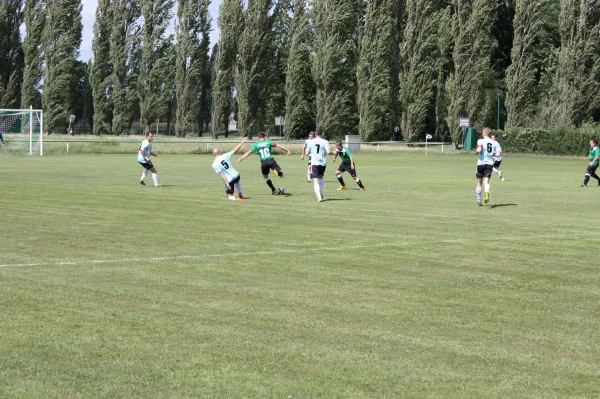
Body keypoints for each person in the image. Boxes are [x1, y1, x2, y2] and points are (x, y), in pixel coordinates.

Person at [475, 127, 501, 206]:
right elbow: (499, 152)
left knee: (479, 182)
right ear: (489, 133)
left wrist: (476, 152)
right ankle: (487, 192)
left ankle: (479, 200)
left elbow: (479, 150)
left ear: (483, 133)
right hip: (489, 164)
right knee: (486, 181)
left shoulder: (480, 141)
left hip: (481, 163)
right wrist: (494, 155)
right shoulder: (494, 142)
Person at [305, 127, 332, 202]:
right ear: (321, 133)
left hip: (315, 163)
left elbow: (306, 153)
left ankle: (319, 197)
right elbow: (329, 152)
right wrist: (334, 152)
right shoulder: (325, 141)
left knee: (315, 180)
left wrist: (311, 153)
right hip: (323, 163)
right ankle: (320, 193)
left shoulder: (310, 142)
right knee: (321, 178)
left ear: (315, 134)